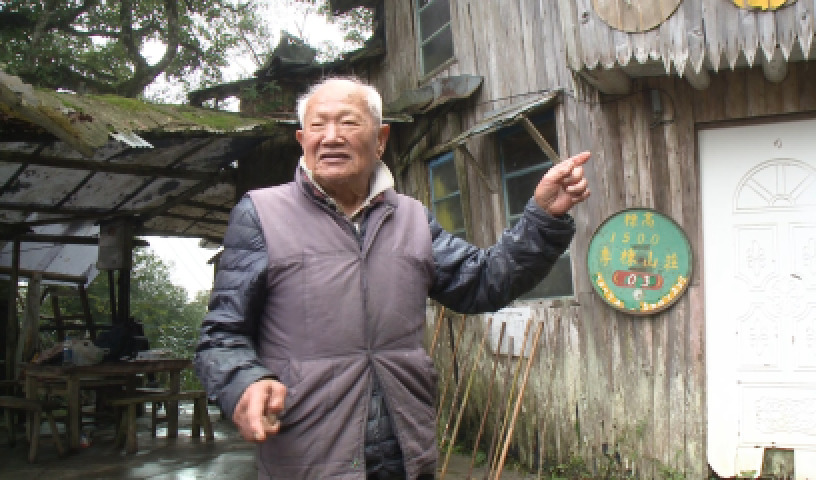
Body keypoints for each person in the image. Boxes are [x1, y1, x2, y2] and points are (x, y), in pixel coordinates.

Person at [194, 76, 590, 480]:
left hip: (405, 452)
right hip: (308, 455)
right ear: (302, 140)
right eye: (317, 125)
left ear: (380, 139)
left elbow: (482, 282)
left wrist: (543, 217)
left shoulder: (412, 218)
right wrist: (244, 382)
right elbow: (222, 334)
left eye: (348, 122)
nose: (331, 137)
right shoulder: (262, 214)